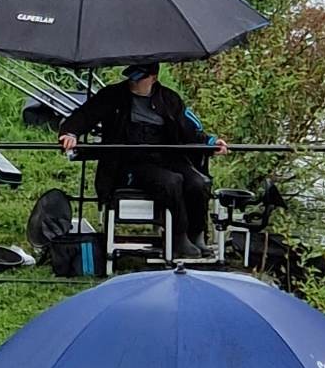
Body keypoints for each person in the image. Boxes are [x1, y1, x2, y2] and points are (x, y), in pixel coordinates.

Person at [58, 63, 226, 260]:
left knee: (199, 183)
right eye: (131, 77)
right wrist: (70, 133)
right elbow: (84, 115)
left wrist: (211, 143)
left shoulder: (170, 99)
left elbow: (190, 128)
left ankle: (196, 234)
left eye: (139, 77)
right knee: (172, 182)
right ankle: (178, 239)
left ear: (153, 78)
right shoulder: (112, 95)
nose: (133, 81)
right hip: (130, 162)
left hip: (166, 158)